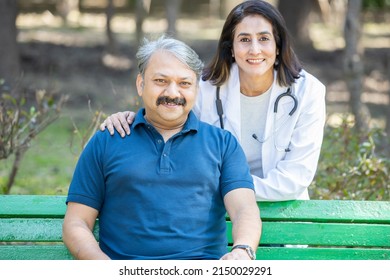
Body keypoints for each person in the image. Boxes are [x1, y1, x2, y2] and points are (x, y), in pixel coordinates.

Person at [100, 0, 326, 202]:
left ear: (278, 46)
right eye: (244, 39)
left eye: (264, 39)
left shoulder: (308, 91)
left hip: (282, 213)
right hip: (215, 211)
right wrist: (130, 118)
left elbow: (296, 178)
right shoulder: (206, 89)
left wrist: (231, 189)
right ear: (231, 48)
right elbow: (168, 125)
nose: (254, 49)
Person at [63, 35, 261, 260]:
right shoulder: (108, 139)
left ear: (196, 90)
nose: (172, 93)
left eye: (184, 83)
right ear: (141, 84)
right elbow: (76, 222)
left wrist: (243, 250)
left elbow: (244, 209)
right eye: (161, 81)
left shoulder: (223, 144)